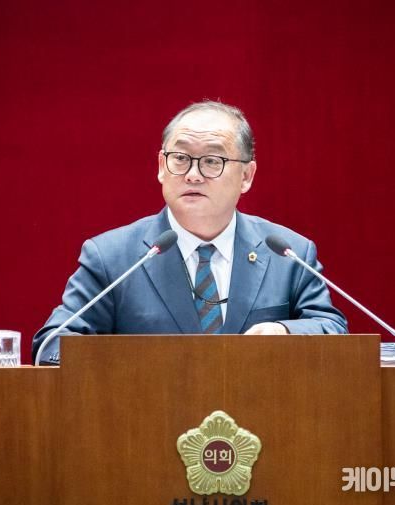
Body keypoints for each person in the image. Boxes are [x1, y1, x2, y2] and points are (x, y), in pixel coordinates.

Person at [32, 101, 347, 364]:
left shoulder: (288, 254)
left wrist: (283, 332)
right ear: (161, 166)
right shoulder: (112, 257)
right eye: (181, 159)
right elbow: (51, 345)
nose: (193, 175)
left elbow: (332, 329)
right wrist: (134, 366)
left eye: (212, 161)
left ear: (246, 176)